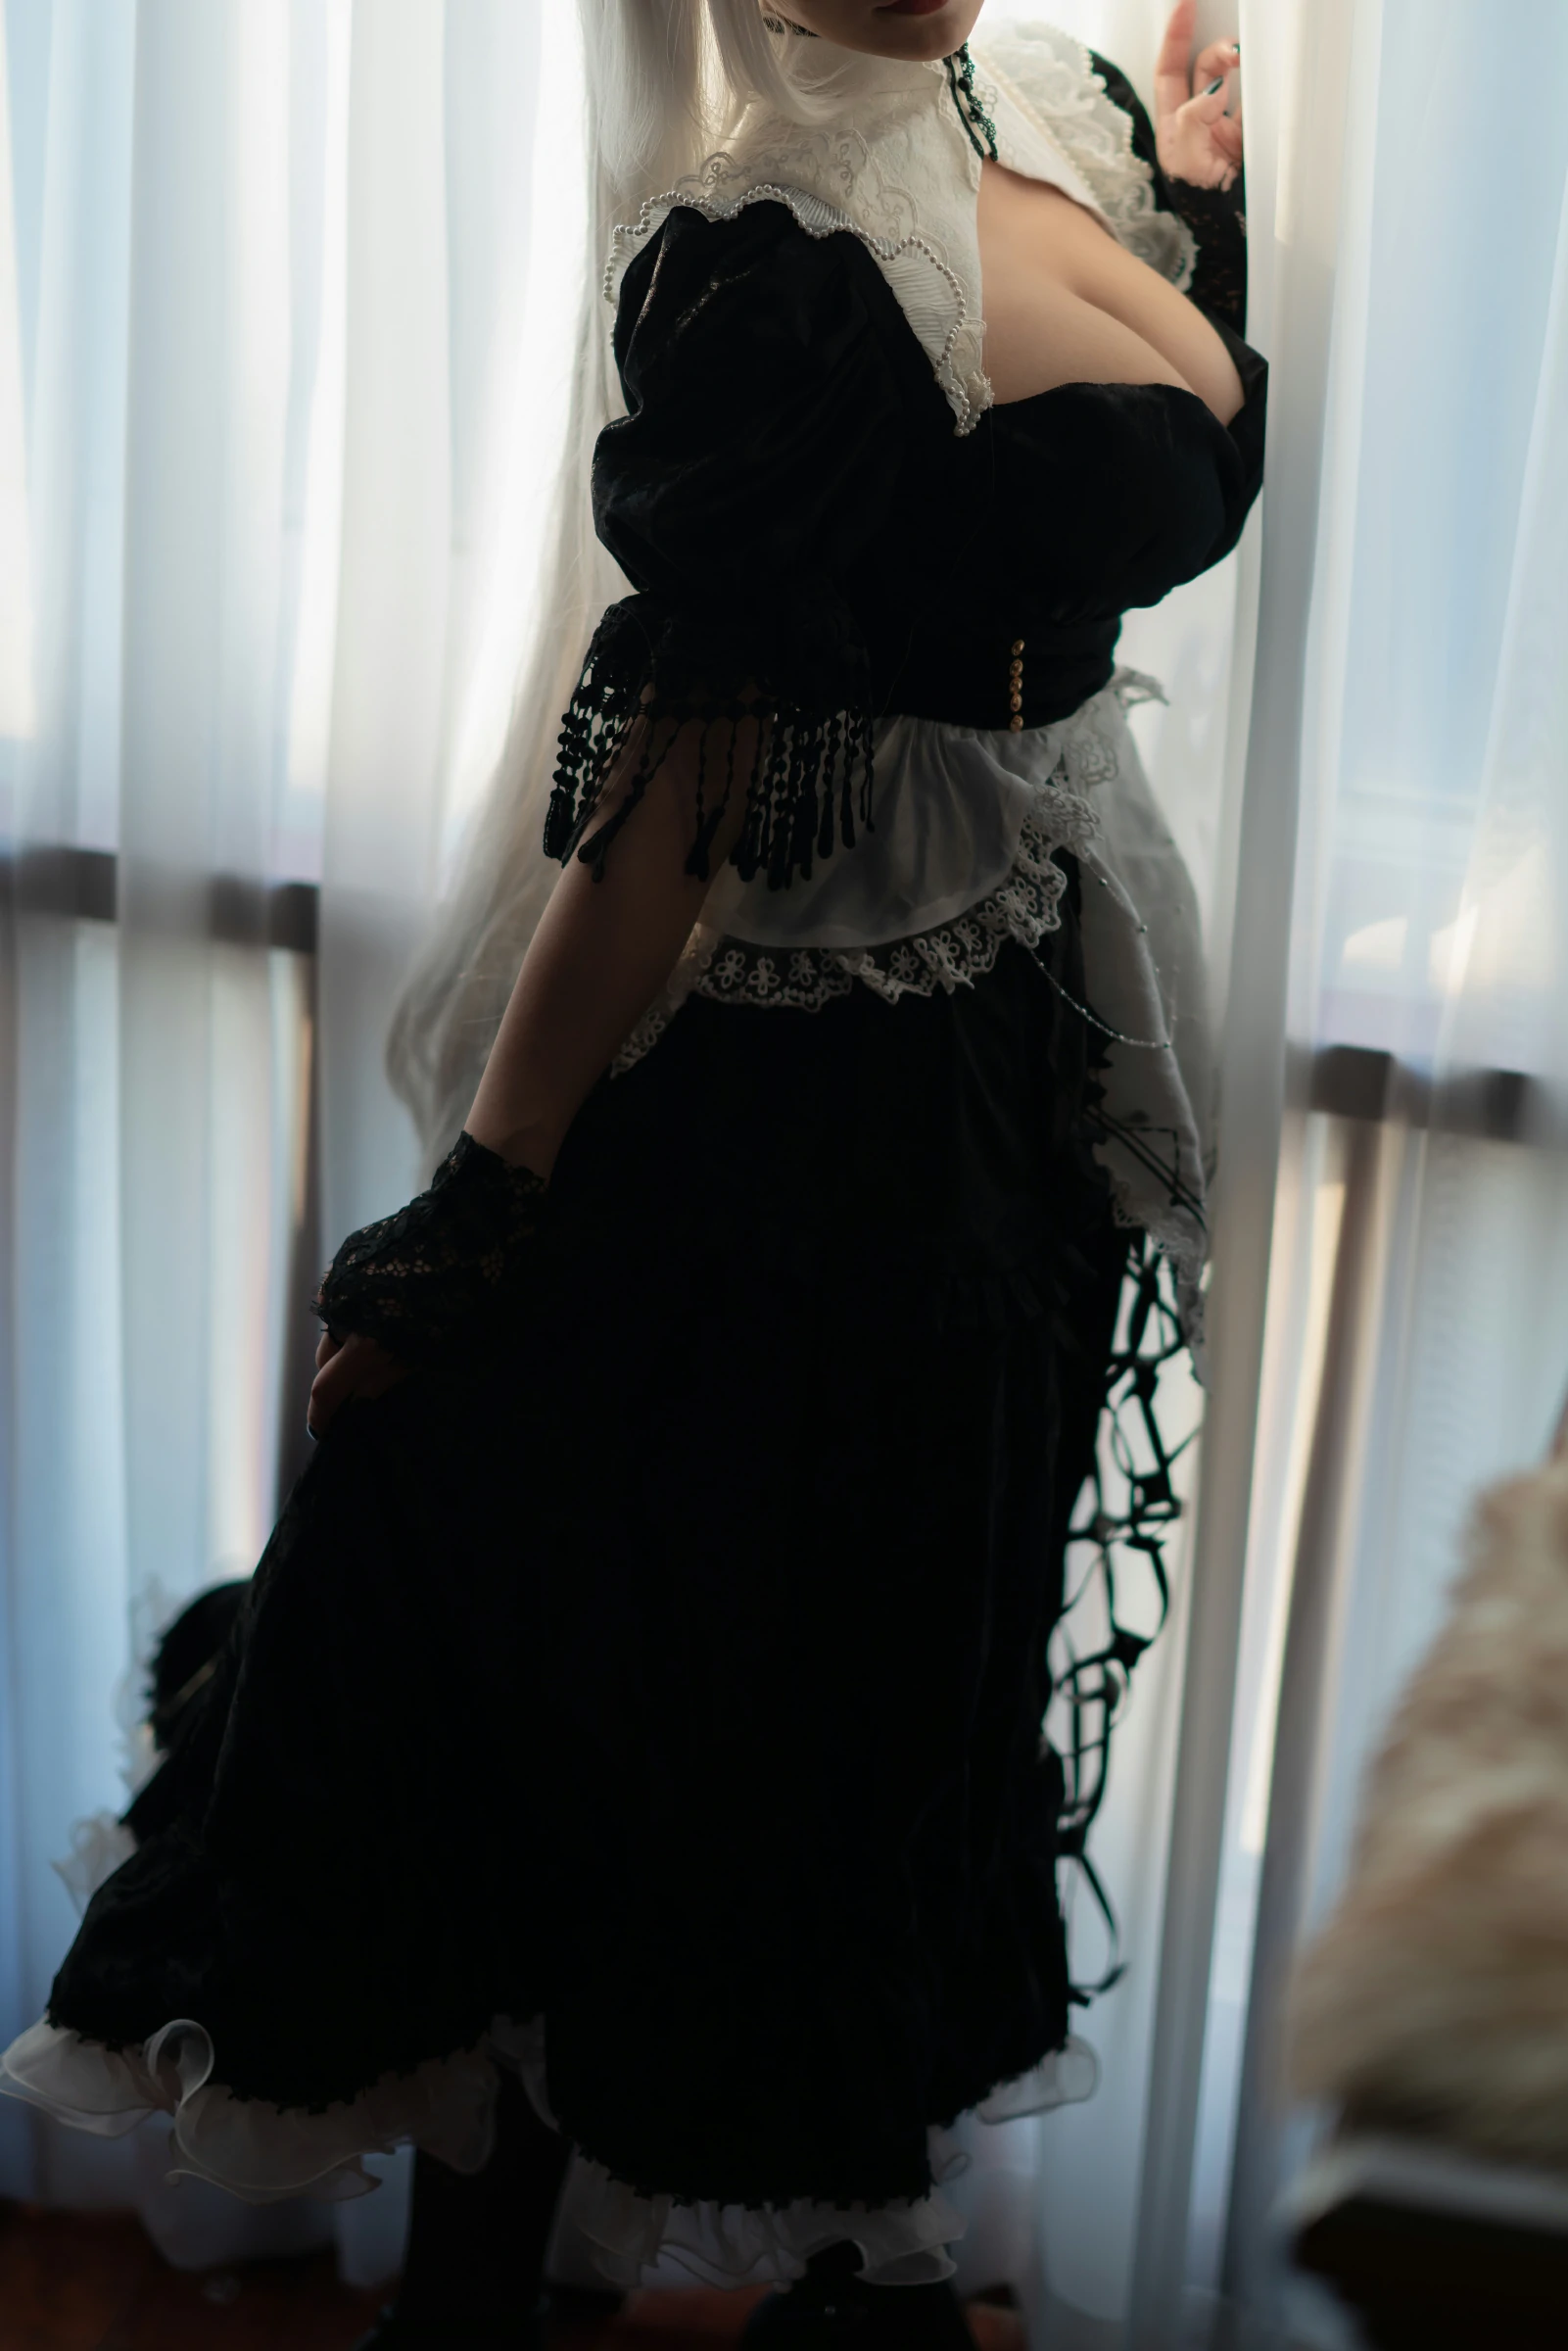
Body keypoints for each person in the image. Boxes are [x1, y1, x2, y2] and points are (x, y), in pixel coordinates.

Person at [0, 3, 1262, 2344]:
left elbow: (1139, 441)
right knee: (627, 1713)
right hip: (807, 1121)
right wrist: (482, 1204)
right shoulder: (762, 265)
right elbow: (667, 795)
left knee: (881, 1725)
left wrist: (1196, 185)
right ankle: (515, 2302)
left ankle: (805, 2264)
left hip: (1020, 1079)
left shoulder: (1058, 117)